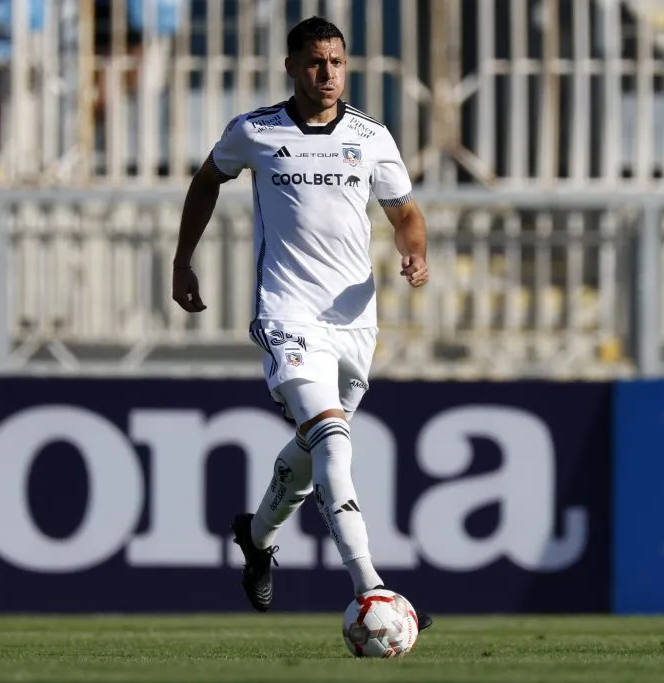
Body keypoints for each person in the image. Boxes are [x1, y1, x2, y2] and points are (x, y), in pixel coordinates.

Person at [170, 16, 432, 630]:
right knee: (335, 443)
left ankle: (257, 540)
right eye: (316, 62)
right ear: (292, 66)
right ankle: (373, 589)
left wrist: (414, 253)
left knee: (315, 455)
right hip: (286, 313)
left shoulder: (371, 137)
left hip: (353, 321)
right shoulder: (256, 131)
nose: (328, 73)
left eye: (337, 62)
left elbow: (406, 214)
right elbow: (206, 180)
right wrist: (183, 260)